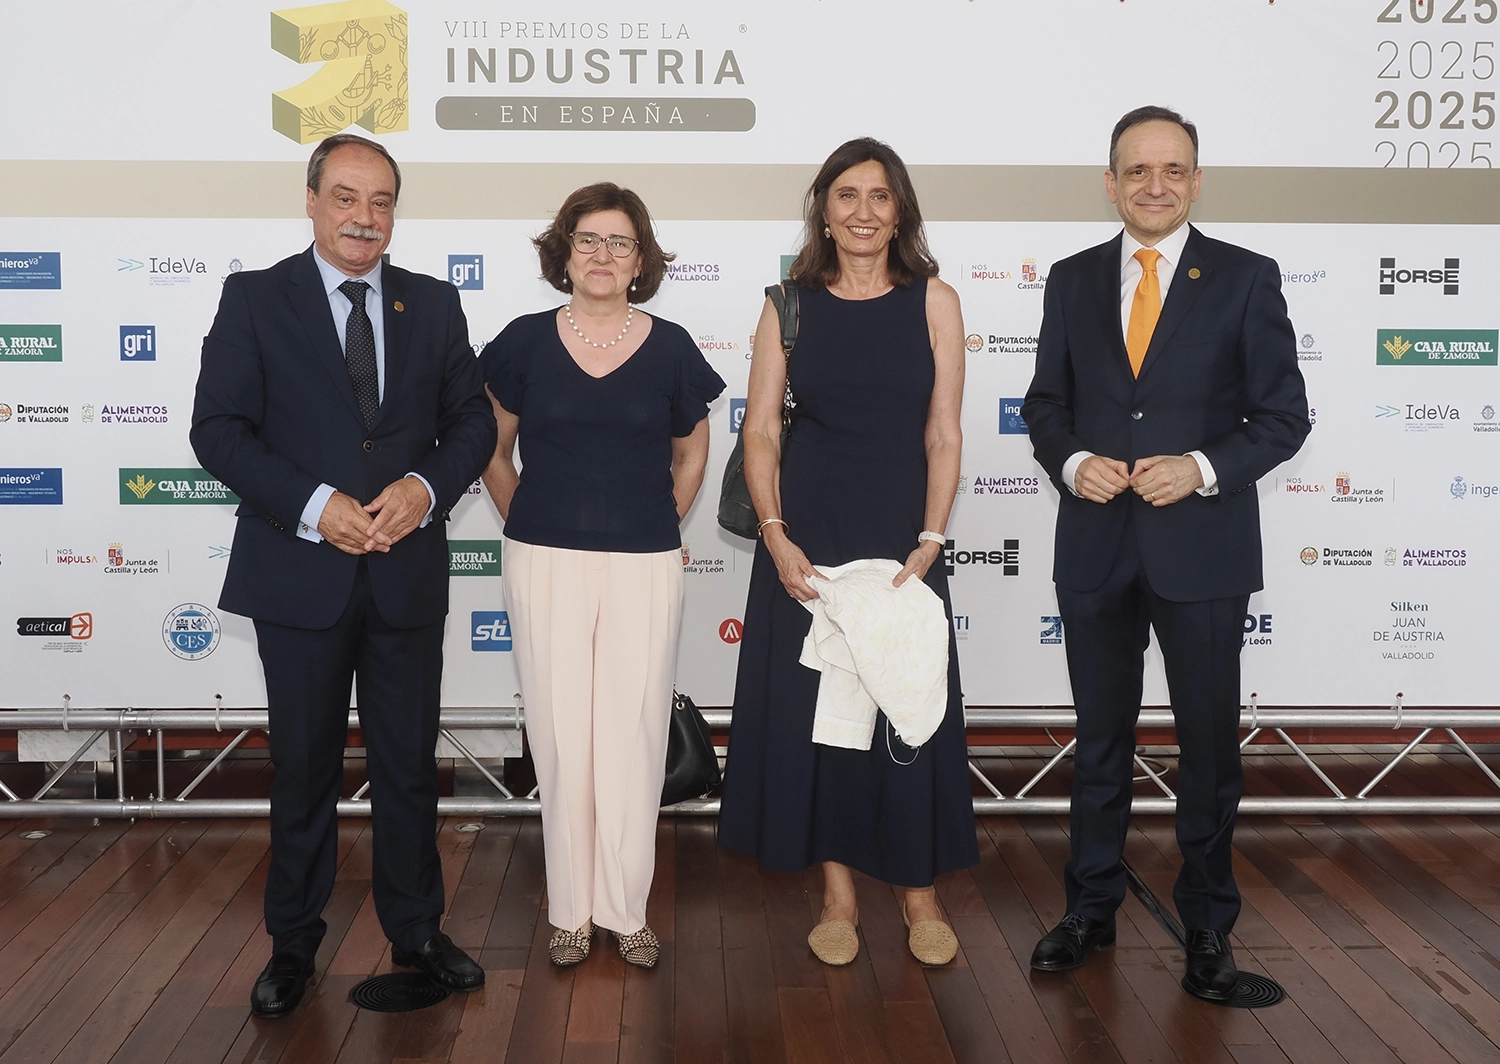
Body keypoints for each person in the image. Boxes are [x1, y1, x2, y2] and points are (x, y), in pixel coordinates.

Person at [190, 133, 496, 1017]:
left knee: (406, 765)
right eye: (348, 197)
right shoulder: (253, 300)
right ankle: (292, 945)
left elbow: (472, 424)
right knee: (305, 766)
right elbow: (217, 430)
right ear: (314, 200)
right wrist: (316, 502)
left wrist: (427, 486)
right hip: (300, 573)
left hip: (404, 573)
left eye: (383, 200)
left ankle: (416, 931)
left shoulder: (433, 306)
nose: (366, 217)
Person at [1021, 106, 1310, 1000]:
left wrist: (1203, 468)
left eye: (1173, 170)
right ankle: (1089, 910)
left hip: (1205, 552)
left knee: (1210, 749)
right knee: (1101, 742)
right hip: (1097, 549)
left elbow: (1284, 418)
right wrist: (1073, 463)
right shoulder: (1070, 280)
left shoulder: (1246, 279)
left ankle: (1208, 929)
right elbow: (1044, 408)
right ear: (1109, 183)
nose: (1155, 185)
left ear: (1195, 180)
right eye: (1136, 170)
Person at [717, 138, 978, 968]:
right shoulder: (786, 304)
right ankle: (837, 894)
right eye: (846, 195)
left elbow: (943, 430)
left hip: (903, 528)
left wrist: (933, 536)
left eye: (879, 195)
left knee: (910, 698)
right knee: (823, 716)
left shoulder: (935, 300)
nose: (863, 211)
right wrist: (775, 531)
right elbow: (759, 429)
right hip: (809, 531)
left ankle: (919, 892)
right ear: (822, 209)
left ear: (899, 208)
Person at [480, 183, 725, 970]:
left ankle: (626, 909)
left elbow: (692, 453)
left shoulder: (674, 345)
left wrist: (663, 521)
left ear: (642, 259)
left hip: (644, 562)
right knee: (558, 735)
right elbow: (492, 449)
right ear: (564, 250)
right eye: (587, 239)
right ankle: (571, 912)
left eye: (619, 243)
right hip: (543, 560)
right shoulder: (521, 342)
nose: (602, 255)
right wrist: (530, 517)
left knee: (636, 730)